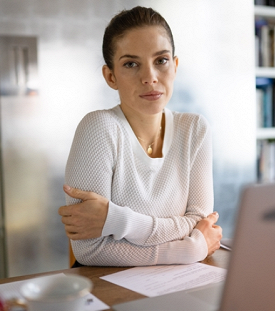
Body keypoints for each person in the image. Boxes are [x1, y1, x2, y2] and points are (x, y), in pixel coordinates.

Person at [58, 6, 222, 267]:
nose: (150, 77)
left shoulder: (195, 129)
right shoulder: (98, 128)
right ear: (111, 76)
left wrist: (115, 220)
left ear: (175, 65)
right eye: (131, 64)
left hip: (178, 284)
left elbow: (200, 223)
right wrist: (189, 250)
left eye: (161, 60)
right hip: (111, 289)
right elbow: (90, 250)